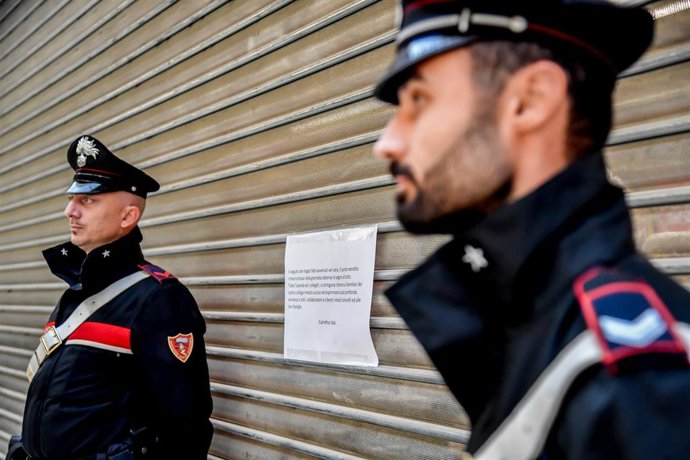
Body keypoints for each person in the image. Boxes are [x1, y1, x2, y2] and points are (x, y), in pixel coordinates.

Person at [373, 1, 690, 459]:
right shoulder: (539, 319)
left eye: (418, 100)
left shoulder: (637, 383)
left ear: (531, 100)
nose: (387, 143)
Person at [6, 136, 213, 460]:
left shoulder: (158, 299)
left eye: (87, 201)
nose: (69, 211)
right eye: (72, 198)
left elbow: (184, 429)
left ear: (128, 216)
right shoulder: (76, 292)